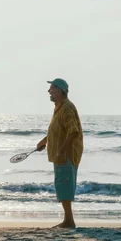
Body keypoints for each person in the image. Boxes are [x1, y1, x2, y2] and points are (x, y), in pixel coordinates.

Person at [36, 78, 83, 229]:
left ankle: (69, 221)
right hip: (60, 154)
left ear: (59, 91)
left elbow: (73, 132)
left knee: (65, 185)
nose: (49, 92)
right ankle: (68, 220)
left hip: (66, 155)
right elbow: (57, 131)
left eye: (51, 89)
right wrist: (45, 141)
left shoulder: (67, 108)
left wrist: (62, 151)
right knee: (62, 185)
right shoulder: (59, 107)